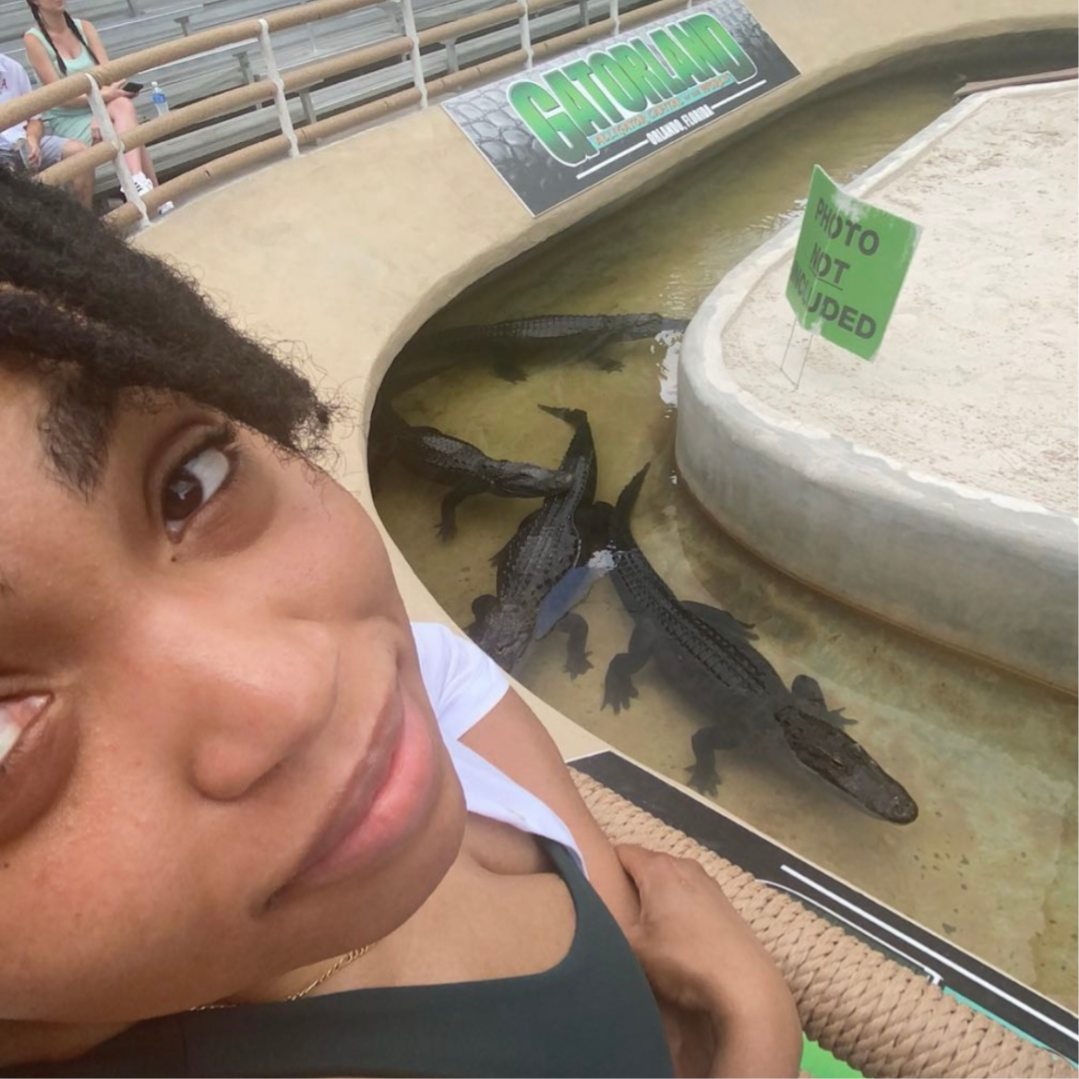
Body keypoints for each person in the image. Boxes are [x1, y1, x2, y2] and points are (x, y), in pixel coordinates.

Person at [0, 167, 802, 1079]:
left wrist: (617, 922)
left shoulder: (421, 680)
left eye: (191, 482)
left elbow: (456, 669)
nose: (295, 690)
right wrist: (759, 1034)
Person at [22, 0, 173, 213]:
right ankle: (152, 192)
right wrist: (100, 103)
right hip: (68, 117)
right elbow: (59, 96)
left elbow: (109, 74)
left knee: (123, 106)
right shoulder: (33, 39)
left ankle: (137, 181)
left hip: (100, 105)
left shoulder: (85, 27)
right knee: (125, 123)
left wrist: (99, 110)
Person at [0, 50, 92, 206]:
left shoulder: (12, 68)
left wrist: (32, 140)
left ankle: (84, 215)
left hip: (23, 140)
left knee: (80, 153)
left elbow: (35, 119)